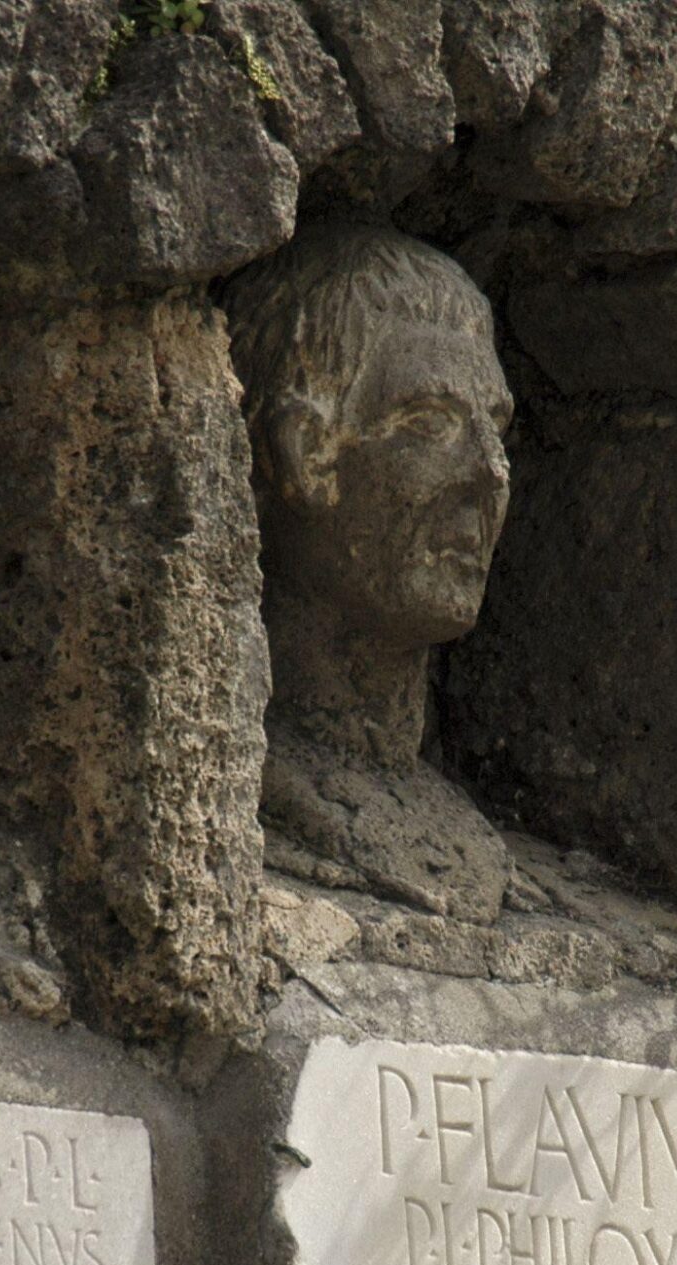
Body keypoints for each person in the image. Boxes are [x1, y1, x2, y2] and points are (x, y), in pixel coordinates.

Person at [223, 224, 516, 921]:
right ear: (302, 452)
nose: (491, 472)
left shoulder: (468, 837)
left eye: (497, 428)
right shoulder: (232, 789)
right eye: (430, 422)